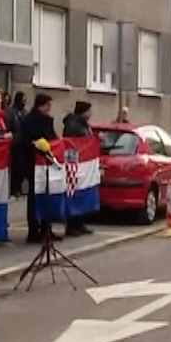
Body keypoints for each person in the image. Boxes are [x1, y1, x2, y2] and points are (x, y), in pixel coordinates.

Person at [18, 93, 59, 242]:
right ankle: (33, 230)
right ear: (40, 105)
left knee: (47, 195)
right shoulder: (28, 120)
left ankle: (46, 228)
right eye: (47, 105)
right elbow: (22, 141)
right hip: (33, 163)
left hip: (46, 164)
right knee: (34, 197)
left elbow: (53, 138)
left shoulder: (47, 121)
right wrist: (34, 144)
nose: (49, 108)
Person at [61, 99, 95, 238]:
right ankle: (72, 225)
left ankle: (80, 223)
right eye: (88, 111)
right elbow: (74, 143)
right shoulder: (73, 125)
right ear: (83, 112)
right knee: (74, 194)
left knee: (82, 193)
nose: (90, 114)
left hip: (83, 164)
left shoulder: (83, 124)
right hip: (74, 164)